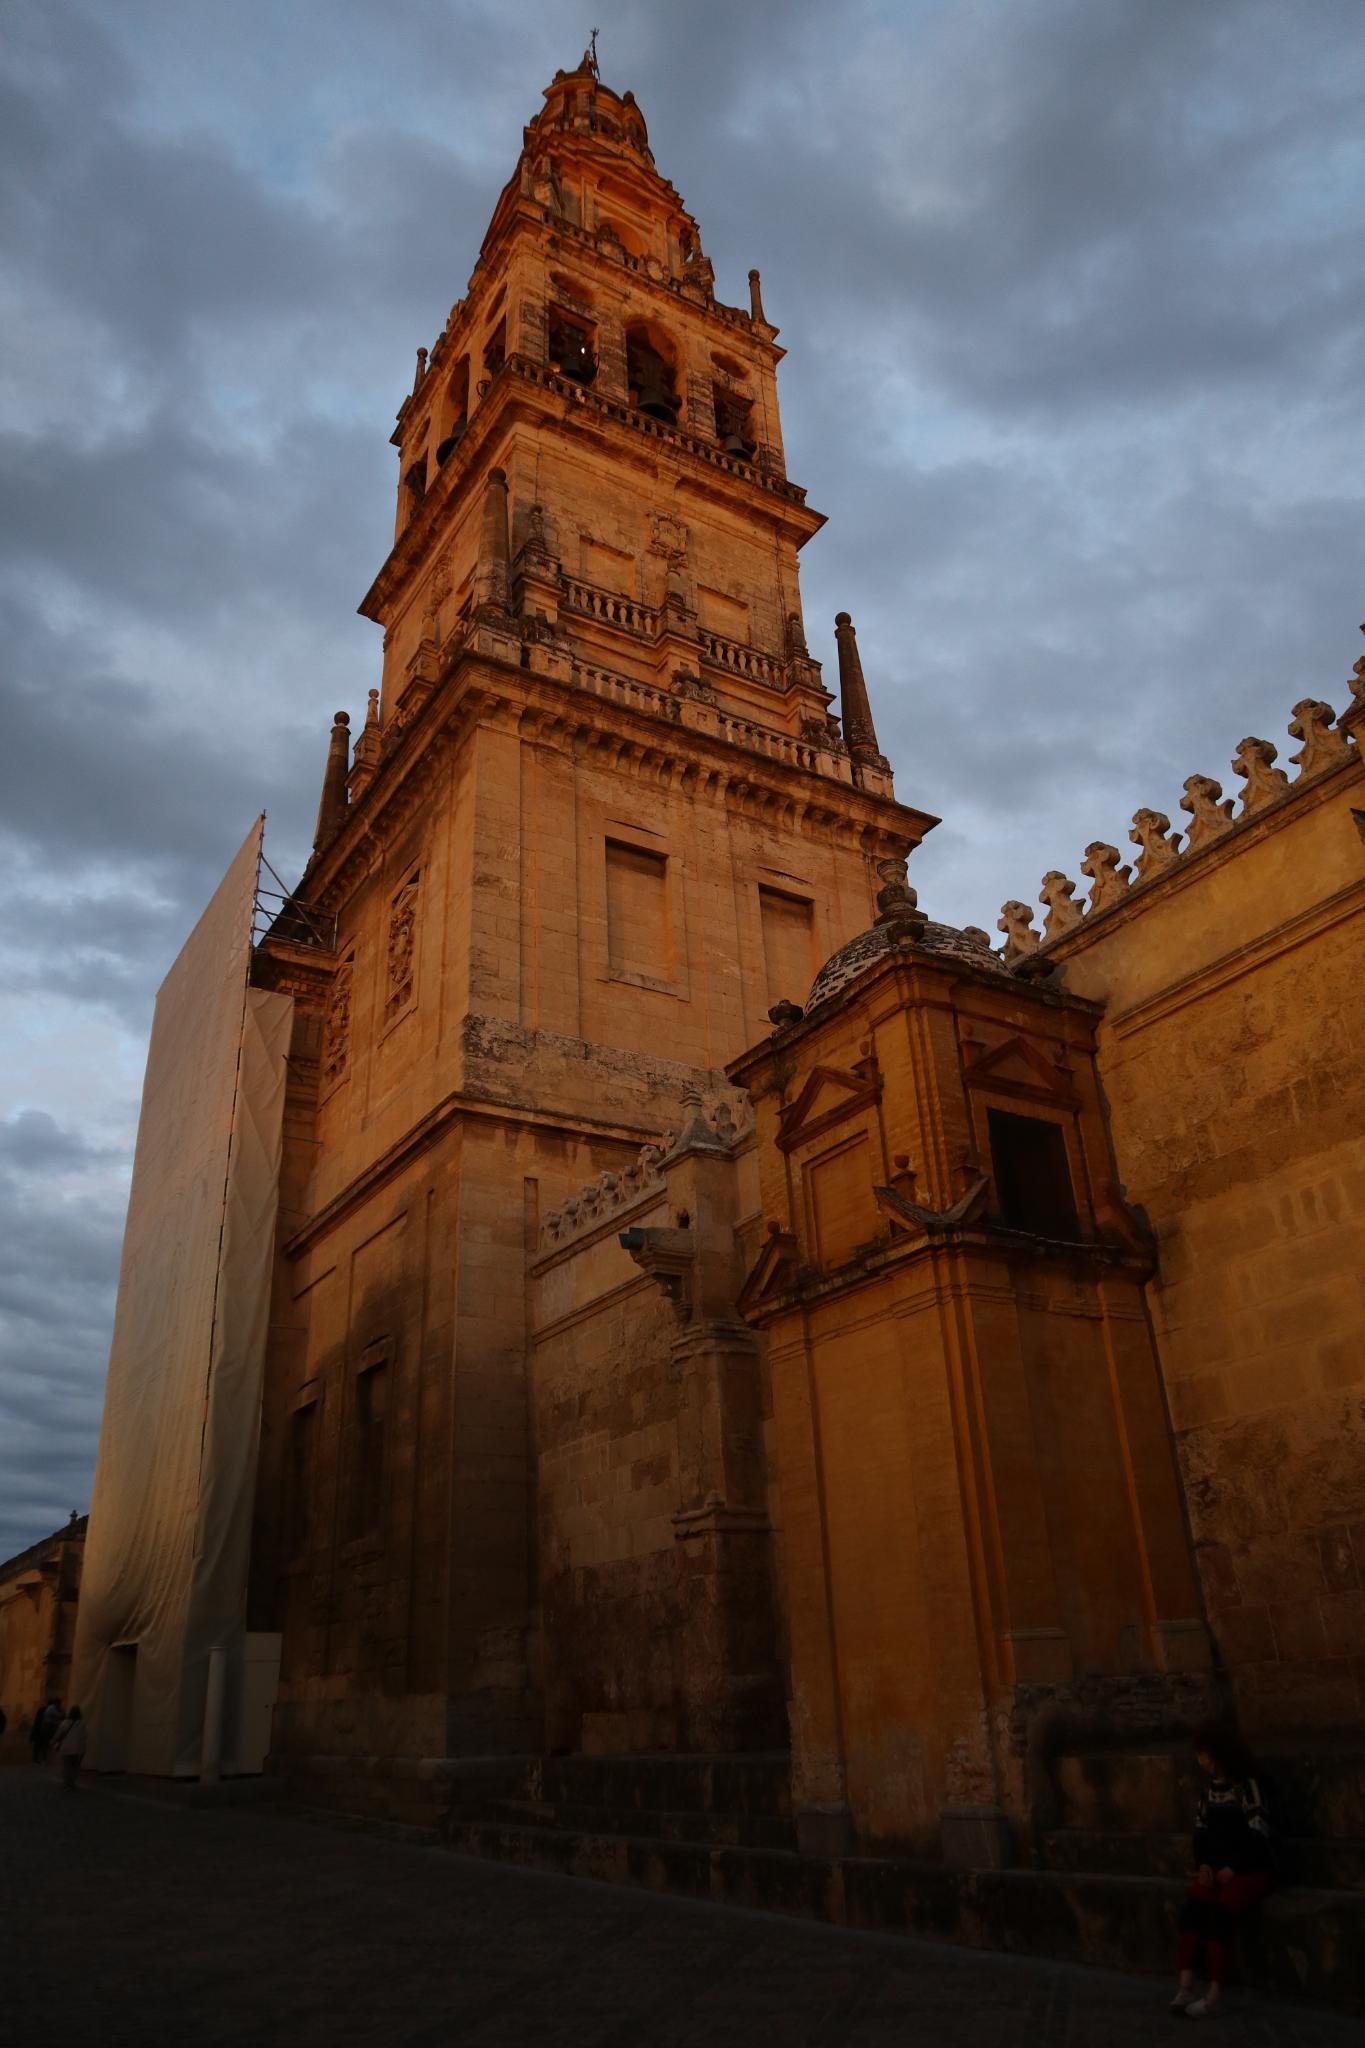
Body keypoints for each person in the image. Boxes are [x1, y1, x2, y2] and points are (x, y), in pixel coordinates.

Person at [1172, 1721, 1274, 2018]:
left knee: (1221, 1913)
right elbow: (1201, 1832)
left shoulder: (1247, 1786)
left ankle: (1216, 1992)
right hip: (1217, 1869)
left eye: (1204, 1753)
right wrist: (1203, 1863)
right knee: (1194, 1908)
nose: (1200, 1759)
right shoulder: (1209, 1792)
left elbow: (1259, 1833)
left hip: (1251, 1869)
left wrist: (1234, 1867)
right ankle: (1186, 1984)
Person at [57, 1705, 88, 1790]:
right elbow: (84, 1737)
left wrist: (53, 1741)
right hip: (77, 1749)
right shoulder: (82, 1724)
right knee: (74, 1767)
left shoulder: (64, 1723)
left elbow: (59, 1734)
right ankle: (72, 1783)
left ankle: (66, 1783)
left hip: (66, 1748)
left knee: (66, 1766)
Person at [31, 1700, 60, 1765]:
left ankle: (37, 1760)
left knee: (38, 1746)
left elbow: (37, 1721)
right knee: (43, 1746)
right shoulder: (48, 1711)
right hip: (42, 1730)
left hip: (39, 1730)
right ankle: (42, 1760)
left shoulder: (42, 1710)